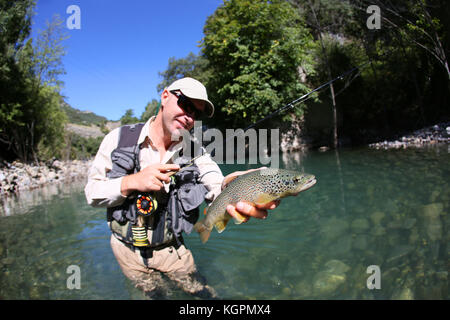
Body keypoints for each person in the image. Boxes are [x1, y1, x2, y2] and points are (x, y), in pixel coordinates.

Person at [84, 77, 279, 298]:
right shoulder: (117, 139)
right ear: (165, 96)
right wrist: (132, 182)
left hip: (172, 250)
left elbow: (216, 182)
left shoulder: (196, 152)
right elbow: (91, 194)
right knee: (154, 294)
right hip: (126, 251)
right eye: (186, 105)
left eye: (196, 113)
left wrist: (232, 186)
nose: (189, 117)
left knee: (204, 294)